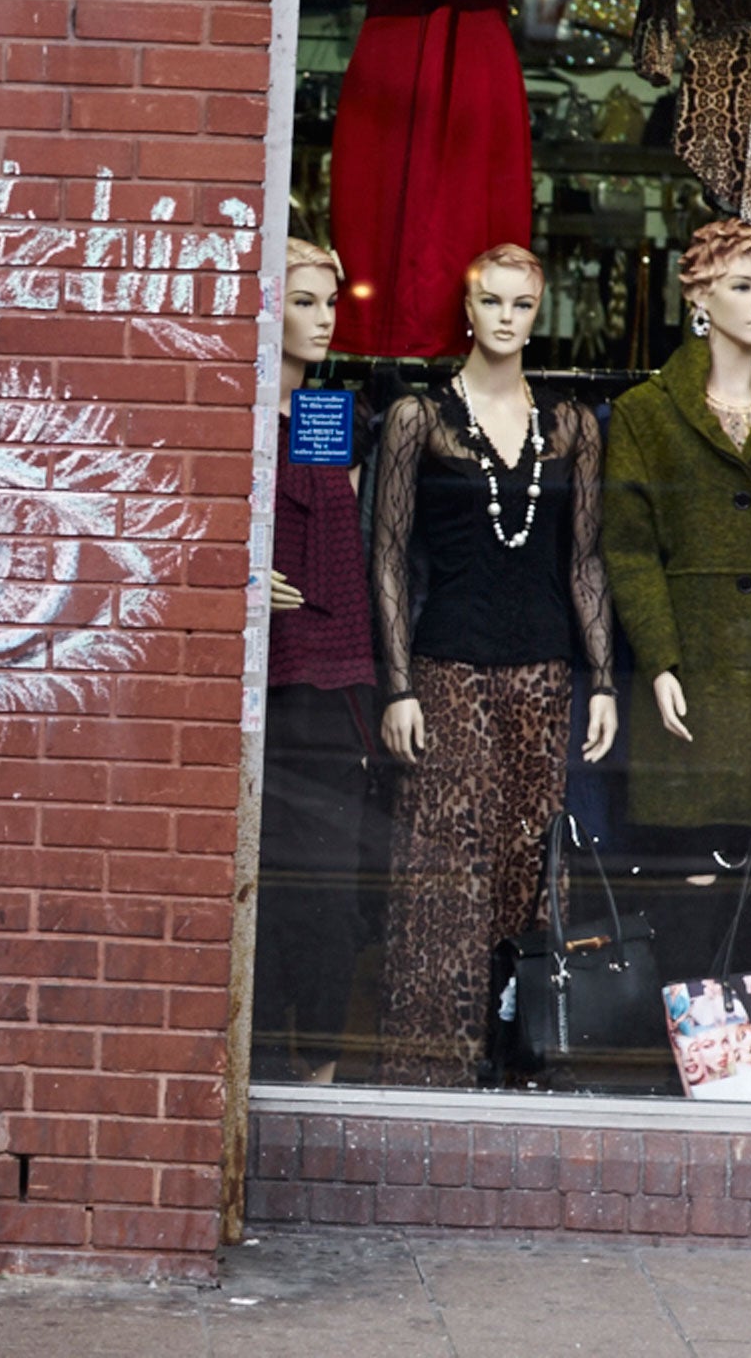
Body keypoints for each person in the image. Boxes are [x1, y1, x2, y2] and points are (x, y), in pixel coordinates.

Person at [371, 244, 618, 1086]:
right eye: (493, 302)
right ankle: (433, 1060)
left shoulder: (572, 423)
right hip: (447, 667)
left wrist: (604, 679)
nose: (508, 317)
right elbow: (391, 559)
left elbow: (584, 561)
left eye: (523, 304)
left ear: (537, 313)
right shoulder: (420, 417)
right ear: (467, 311)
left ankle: (518, 1051)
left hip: (543, 670)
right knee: (446, 870)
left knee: (526, 865)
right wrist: (397, 685)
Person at [603, 219, 751, 978]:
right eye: (741, 286)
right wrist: (660, 659)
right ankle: (693, 1064)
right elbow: (629, 551)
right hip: (693, 680)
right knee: (693, 885)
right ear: (697, 295)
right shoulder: (645, 415)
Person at [252, 238, 380, 1083]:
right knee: (273, 890)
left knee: (332, 893)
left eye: (329, 303)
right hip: (275, 683)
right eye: (304, 301)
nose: (323, 319)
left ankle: (322, 1071)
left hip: (338, 681)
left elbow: (345, 529)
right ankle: (259, 1060)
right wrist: (242, 570)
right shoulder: (244, 413)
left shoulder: (330, 414)